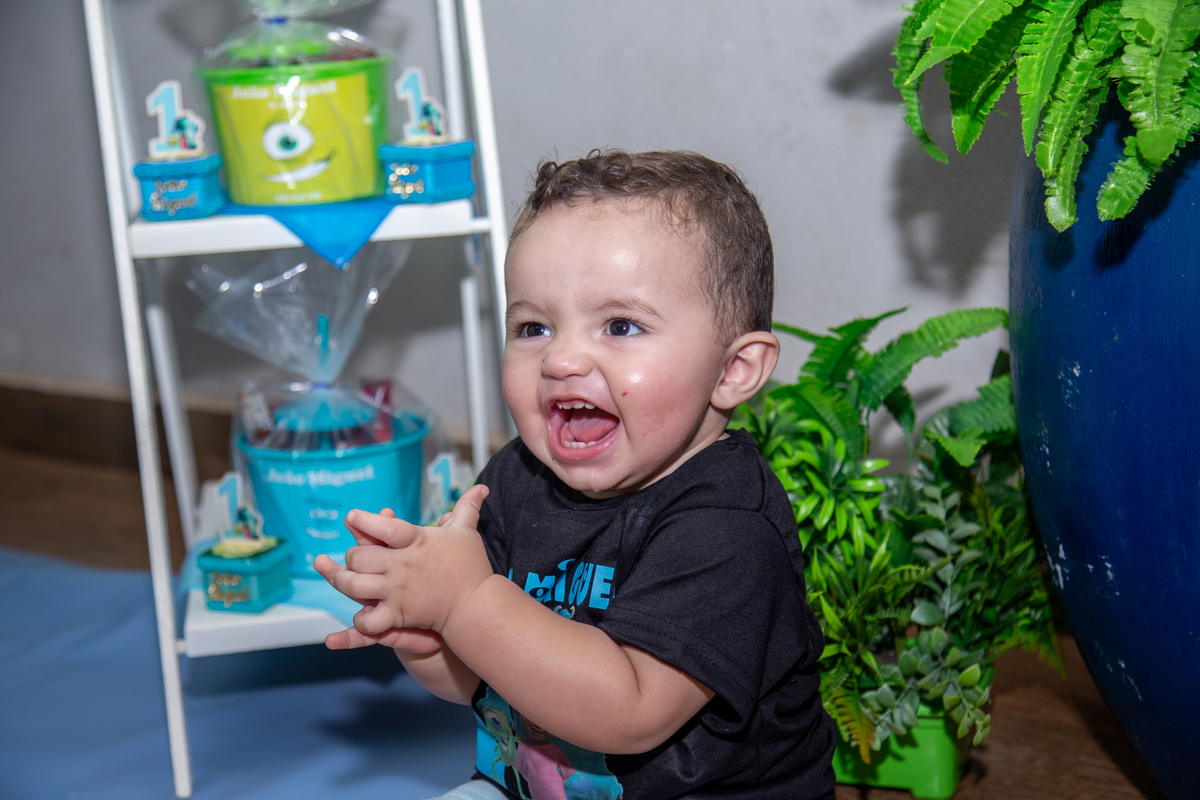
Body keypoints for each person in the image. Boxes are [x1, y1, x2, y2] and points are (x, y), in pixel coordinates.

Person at [316, 150, 837, 800]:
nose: (561, 358)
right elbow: (478, 677)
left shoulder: (727, 531)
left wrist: (465, 601)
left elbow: (628, 710)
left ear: (734, 371)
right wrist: (426, 634)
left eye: (620, 325)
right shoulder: (515, 479)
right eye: (533, 326)